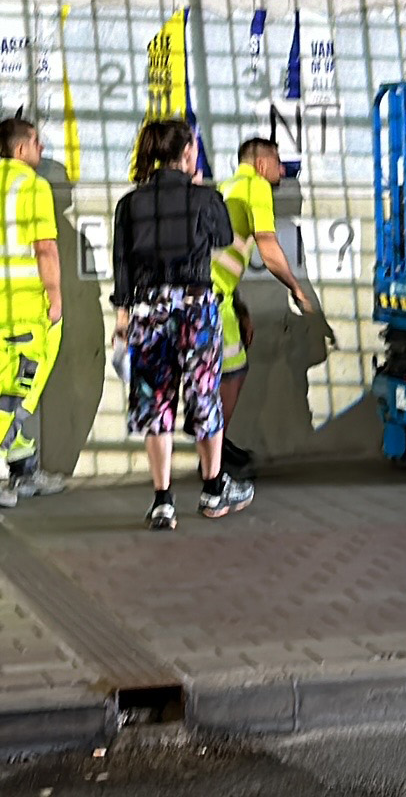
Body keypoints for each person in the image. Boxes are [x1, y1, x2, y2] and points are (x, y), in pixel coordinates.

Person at [112, 118, 253, 530]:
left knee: (156, 404)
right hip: (195, 308)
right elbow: (224, 236)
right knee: (204, 395)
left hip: (147, 311)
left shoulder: (129, 204)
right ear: (187, 152)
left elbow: (122, 267)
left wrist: (122, 319)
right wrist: (199, 188)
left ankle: (162, 501)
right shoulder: (205, 199)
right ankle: (213, 491)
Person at [0, 115, 71, 507]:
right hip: (26, 307)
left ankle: (22, 469)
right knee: (22, 390)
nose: (42, 149)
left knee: (7, 382)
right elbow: (45, 247)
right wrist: (55, 296)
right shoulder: (32, 187)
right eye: (37, 142)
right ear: (21, 148)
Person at [210, 138, 316, 461]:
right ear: (260, 165)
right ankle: (214, 458)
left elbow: (218, 256)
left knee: (222, 375)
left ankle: (217, 446)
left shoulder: (225, 187)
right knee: (232, 374)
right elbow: (268, 247)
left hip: (216, 295)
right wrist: (297, 290)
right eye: (277, 161)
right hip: (215, 298)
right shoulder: (256, 187)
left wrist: (239, 306)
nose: (282, 169)